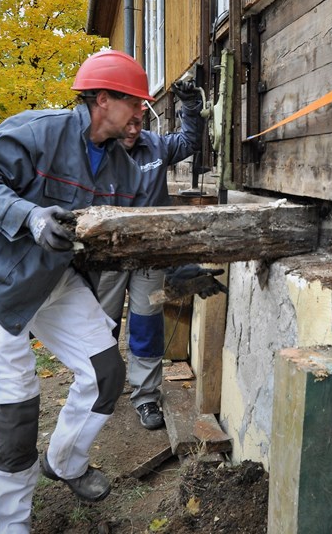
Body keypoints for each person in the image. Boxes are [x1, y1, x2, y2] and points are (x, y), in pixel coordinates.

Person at [0, 49, 152, 532]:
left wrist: (178, 267)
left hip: (57, 282)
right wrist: (30, 215)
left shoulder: (121, 170)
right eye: (135, 103)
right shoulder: (38, 131)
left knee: (105, 375)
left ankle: (65, 463)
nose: (141, 113)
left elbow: (120, 238)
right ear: (102, 99)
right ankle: (9, 526)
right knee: (15, 416)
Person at [97, 78, 225, 430]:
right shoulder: (96, 153)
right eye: (128, 124)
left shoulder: (154, 145)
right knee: (100, 327)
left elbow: (187, 141)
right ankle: (98, 391)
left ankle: (147, 396)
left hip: (150, 257)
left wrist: (190, 108)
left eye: (139, 123)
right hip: (108, 257)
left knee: (146, 325)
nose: (134, 131)